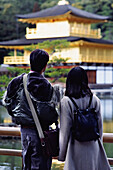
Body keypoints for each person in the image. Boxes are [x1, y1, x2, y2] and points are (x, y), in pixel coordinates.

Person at [3, 49, 62, 170]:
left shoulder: (16, 81)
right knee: (40, 165)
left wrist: (20, 115)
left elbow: (7, 103)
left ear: (30, 62)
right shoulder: (45, 85)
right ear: (45, 66)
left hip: (24, 132)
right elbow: (47, 114)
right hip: (41, 134)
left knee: (27, 164)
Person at [58, 66, 111, 170]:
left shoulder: (67, 101)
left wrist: (62, 155)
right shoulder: (95, 99)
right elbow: (99, 128)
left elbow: (64, 132)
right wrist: (98, 146)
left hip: (75, 149)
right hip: (93, 147)